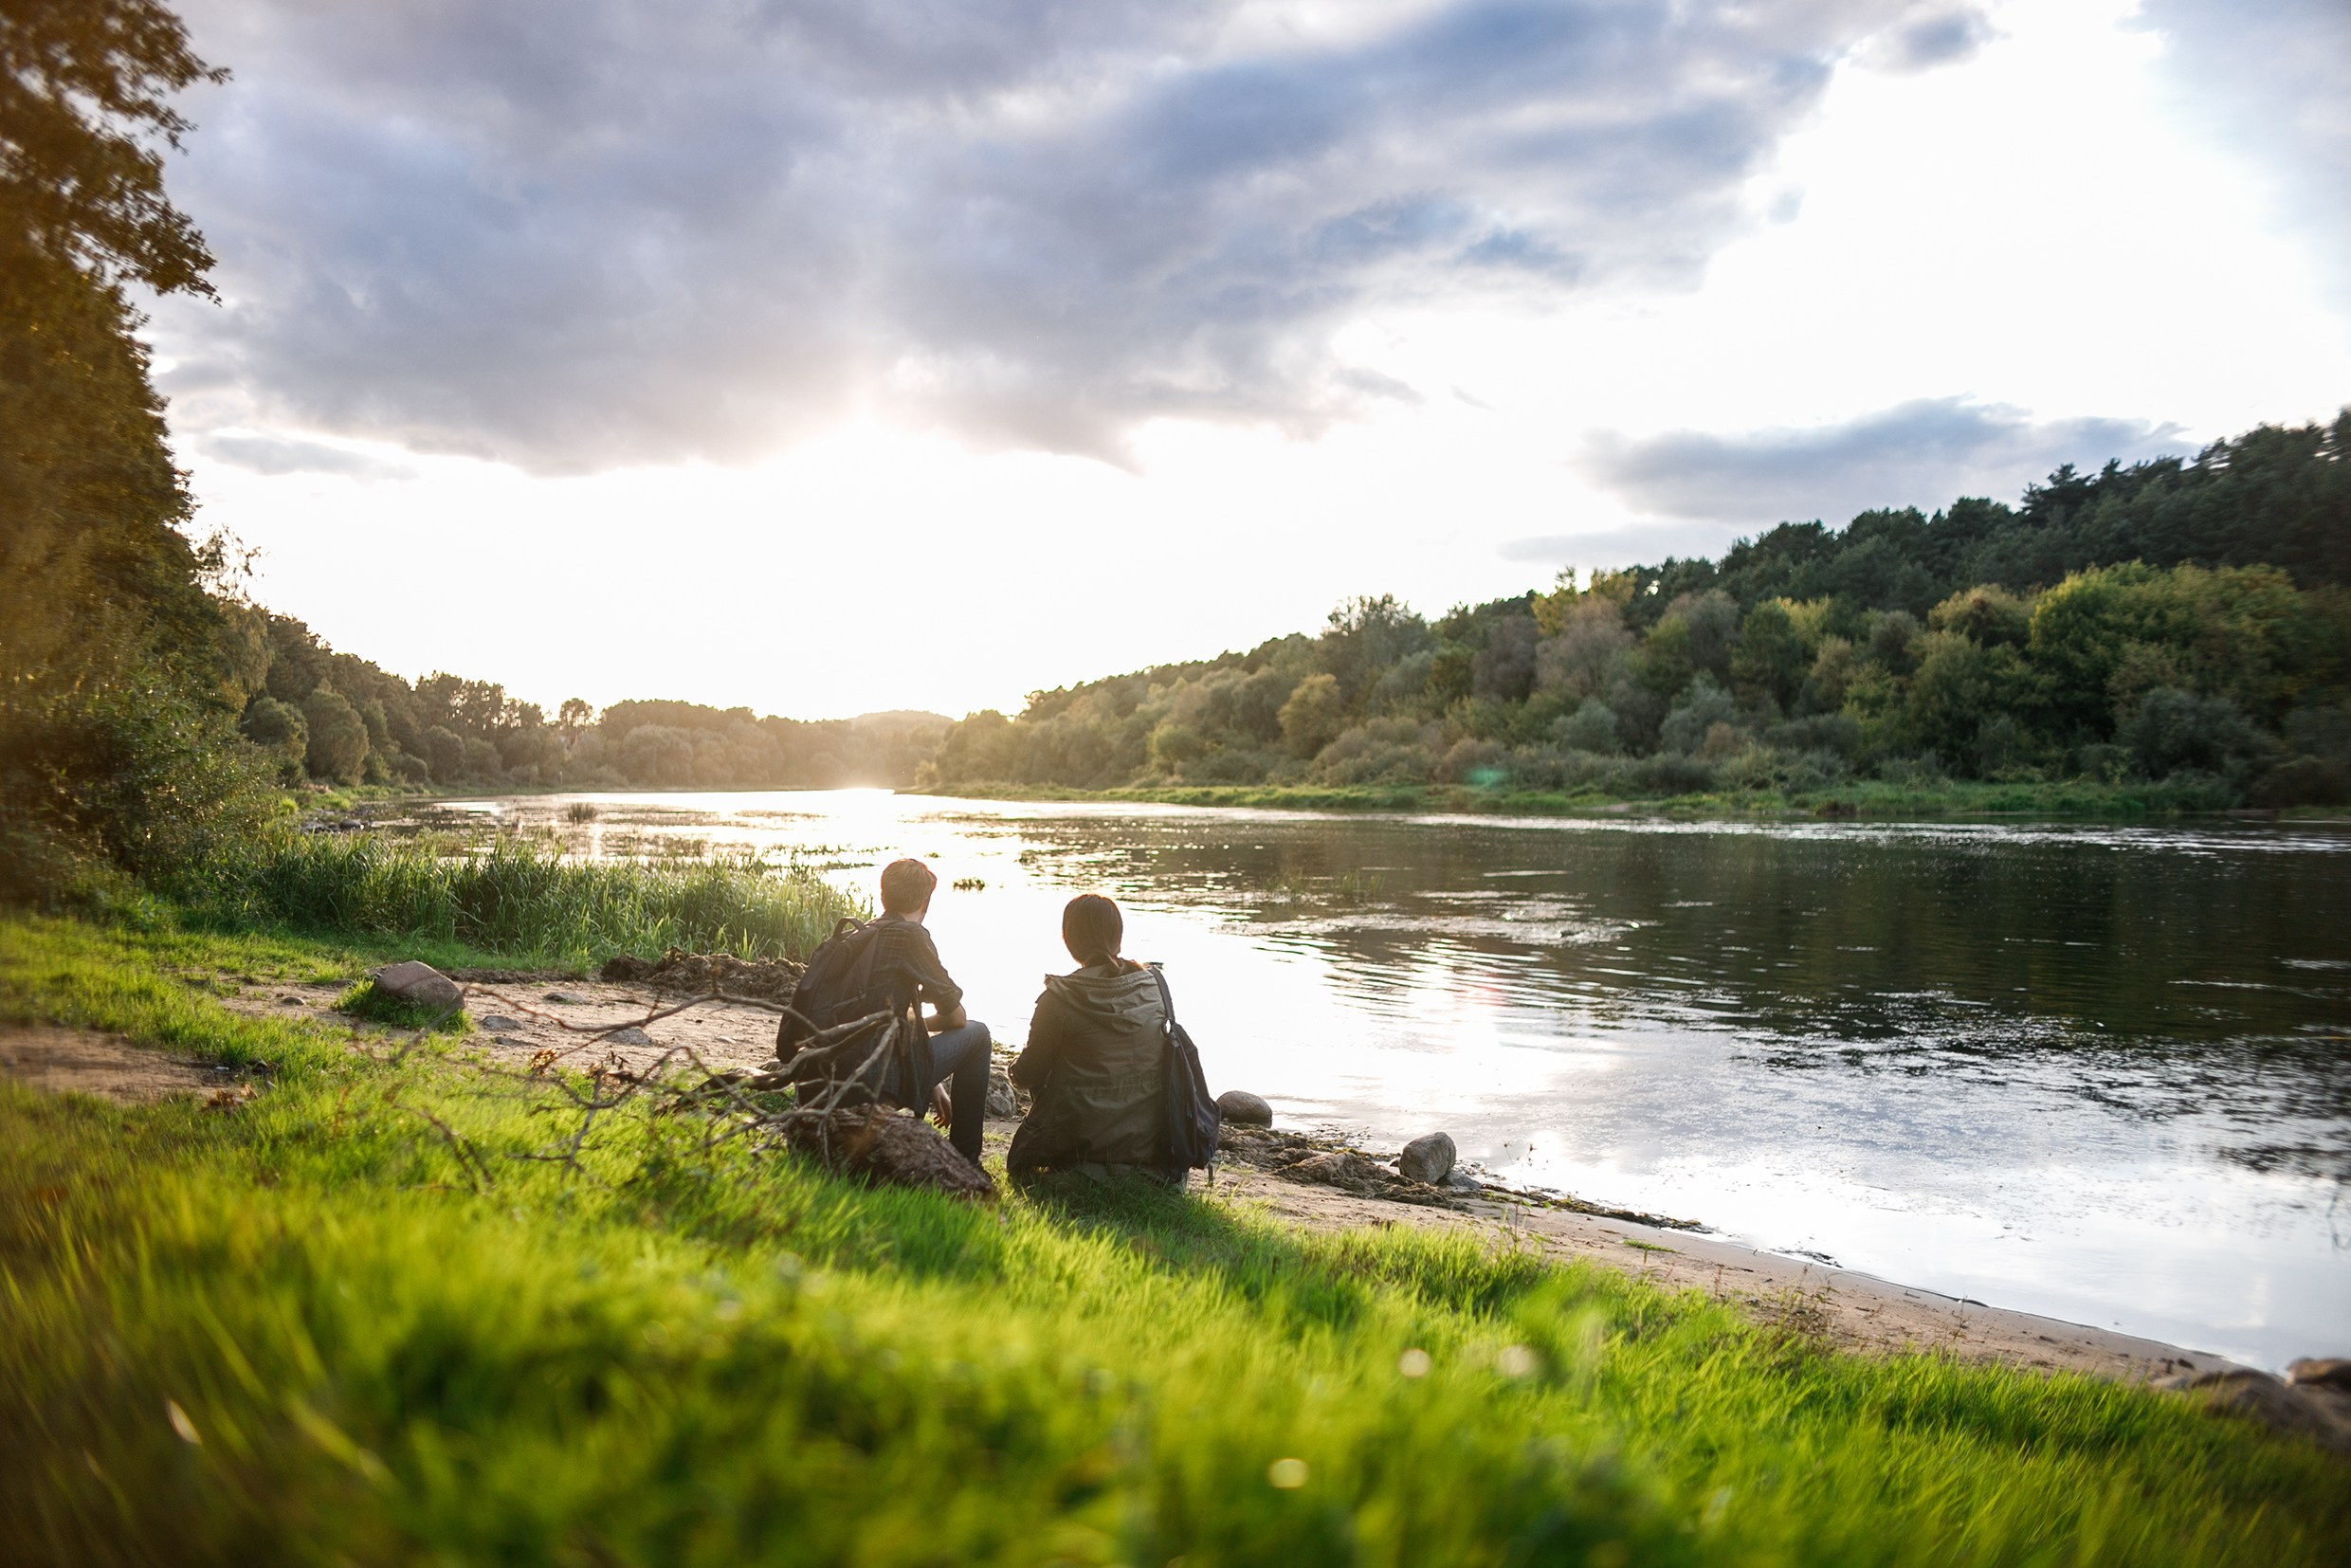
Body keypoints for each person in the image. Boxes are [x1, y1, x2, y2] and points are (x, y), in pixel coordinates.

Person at [1007, 894, 1178, 1183]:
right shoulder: (1155, 985)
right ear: (1119, 938)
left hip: (1079, 1136)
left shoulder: (1059, 998)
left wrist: (1011, 1069)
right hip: (1147, 1138)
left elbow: (1028, 1074)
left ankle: (1078, 1165)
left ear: (1068, 940)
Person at [865, 857, 993, 1164]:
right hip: (876, 1081)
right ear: (925, 902)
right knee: (977, 1035)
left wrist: (932, 1081)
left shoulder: (858, 934)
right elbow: (955, 1017)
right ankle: (966, 1159)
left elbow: (881, 1021)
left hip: (836, 1073)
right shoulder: (911, 936)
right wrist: (925, 1025)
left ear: (883, 895)